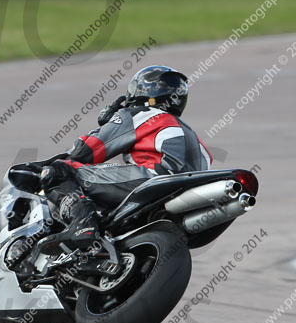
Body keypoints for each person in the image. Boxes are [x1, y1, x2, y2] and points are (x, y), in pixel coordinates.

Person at [34, 65, 213, 258]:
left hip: (152, 179)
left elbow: (84, 152)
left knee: (60, 170)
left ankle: (82, 225)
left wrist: (108, 123)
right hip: (186, 193)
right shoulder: (196, 138)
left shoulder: (141, 114)